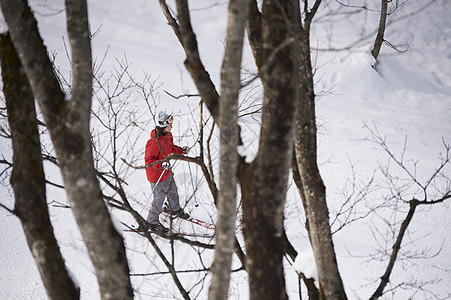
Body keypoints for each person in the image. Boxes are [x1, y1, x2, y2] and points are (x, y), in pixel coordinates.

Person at [144, 111, 189, 234]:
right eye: (170, 123)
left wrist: (181, 151)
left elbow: (171, 147)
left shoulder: (168, 136)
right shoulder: (153, 142)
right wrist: (160, 164)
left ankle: (174, 209)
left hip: (166, 171)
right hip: (155, 175)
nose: (172, 126)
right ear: (163, 125)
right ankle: (152, 222)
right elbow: (148, 160)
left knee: (172, 189)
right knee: (159, 198)